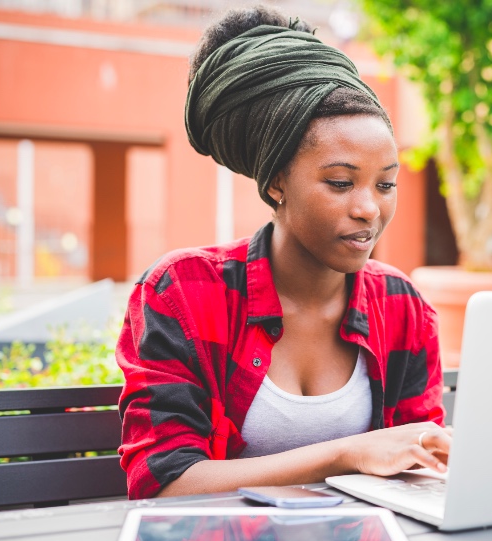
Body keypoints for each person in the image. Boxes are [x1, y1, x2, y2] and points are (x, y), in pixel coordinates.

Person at [116, 5, 452, 500]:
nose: (368, 209)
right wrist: (346, 453)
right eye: (341, 182)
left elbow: (420, 467)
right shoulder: (182, 292)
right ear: (276, 184)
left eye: (386, 184)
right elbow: (162, 480)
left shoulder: (402, 307)